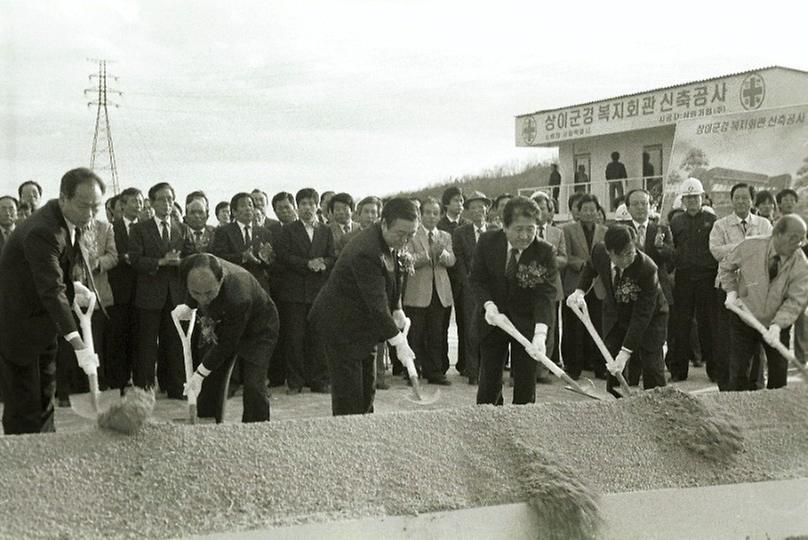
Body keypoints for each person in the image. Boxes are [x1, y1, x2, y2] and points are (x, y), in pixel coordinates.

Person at [0, 168, 104, 434]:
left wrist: (74, 286)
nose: (91, 214)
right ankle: (21, 459)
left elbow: (53, 273)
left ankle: (44, 448)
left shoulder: (67, 220)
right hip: (19, 328)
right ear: (64, 198)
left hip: (42, 323)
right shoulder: (43, 230)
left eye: (96, 207)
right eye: (85, 206)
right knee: (24, 403)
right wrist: (78, 343)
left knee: (44, 393)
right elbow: (50, 289)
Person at [310, 198, 418, 415]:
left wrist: (397, 307)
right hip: (340, 325)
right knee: (349, 394)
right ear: (384, 223)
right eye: (401, 234)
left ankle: (366, 429)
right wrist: (398, 341)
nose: (405, 240)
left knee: (367, 388)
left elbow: (393, 276)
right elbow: (376, 303)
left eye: (411, 234)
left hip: (364, 326)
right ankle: (347, 440)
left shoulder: (389, 240)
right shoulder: (366, 250)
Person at [471, 196, 557, 405]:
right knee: (489, 382)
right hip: (493, 321)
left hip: (527, 324)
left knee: (526, 383)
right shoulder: (487, 242)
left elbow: (545, 294)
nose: (525, 236)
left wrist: (540, 333)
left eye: (531, 229)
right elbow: (477, 280)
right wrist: (489, 306)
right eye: (519, 229)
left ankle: (523, 427)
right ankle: (487, 423)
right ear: (504, 225)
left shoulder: (544, 251)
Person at [568, 225, 668, 397]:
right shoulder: (599, 252)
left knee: (651, 364)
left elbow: (641, 315)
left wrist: (626, 352)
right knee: (612, 360)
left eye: (632, 252)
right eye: (624, 254)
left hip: (650, 317)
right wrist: (580, 291)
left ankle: (660, 403)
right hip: (615, 313)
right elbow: (590, 267)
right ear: (610, 252)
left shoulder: (647, 269)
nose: (629, 258)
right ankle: (619, 402)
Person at [179, 254, 279, 422]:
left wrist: (199, 374)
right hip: (224, 320)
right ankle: (208, 421)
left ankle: (256, 428)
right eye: (196, 293)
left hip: (259, 329)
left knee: (253, 384)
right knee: (210, 377)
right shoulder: (190, 266)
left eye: (209, 293)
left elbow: (227, 343)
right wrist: (189, 307)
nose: (203, 299)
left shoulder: (239, 294)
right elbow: (197, 292)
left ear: (221, 280)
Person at [719, 215, 808, 390]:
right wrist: (731, 291)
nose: (798, 244)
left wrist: (777, 325)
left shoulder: (801, 264)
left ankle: (775, 415)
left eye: (802, 239)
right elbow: (726, 267)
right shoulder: (750, 246)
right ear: (777, 233)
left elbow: (795, 301)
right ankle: (738, 412)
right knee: (739, 373)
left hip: (776, 322)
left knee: (778, 376)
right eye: (793, 238)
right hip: (744, 319)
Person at [128, 182, 194, 398]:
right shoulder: (140, 228)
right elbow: (135, 260)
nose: (167, 204)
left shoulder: (182, 228)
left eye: (170, 199)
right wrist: (161, 262)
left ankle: (175, 386)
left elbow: (192, 258)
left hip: (175, 295)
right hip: (149, 295)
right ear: (152, 203)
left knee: (175, 343)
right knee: (147, 344)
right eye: (162, 199)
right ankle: (145, 388)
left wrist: (180, 262)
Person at [709, 183, 772, 389]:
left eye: (745, 198)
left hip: (755, 290)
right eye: (737, 197)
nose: (741, 201)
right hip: (727, 289)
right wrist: (747, 247)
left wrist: (736, 251)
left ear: (752, 201)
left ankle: (756, 384)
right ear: (731, 199)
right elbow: (716, 251)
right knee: (727, 339)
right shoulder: (721, 225)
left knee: (756, 339)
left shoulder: (764, 224)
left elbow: (769, 251)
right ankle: (729, 386)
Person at [275, 188, 335, 394]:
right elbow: (282, 256)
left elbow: (331, 256)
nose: (307, 208)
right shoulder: (288, 230)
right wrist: (306, 264)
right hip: (294, 293)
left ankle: (318, 379)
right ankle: (295, 381)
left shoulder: (326, 230)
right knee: (295, 338)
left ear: (317, 206)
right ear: (297, 207)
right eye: (303, 204)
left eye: (311, 203)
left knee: (318, 338)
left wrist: (323, 263)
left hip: (319, 291)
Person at [668, 177, 719, 383]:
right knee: (681, 324)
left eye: (695, 197)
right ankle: (678, 371)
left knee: (709, 324)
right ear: (683, 199)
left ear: (702, 197)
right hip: (684, 279)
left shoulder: (712, 220)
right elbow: (672, 250)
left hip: (707, 278)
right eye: (688, 197)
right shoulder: (676, 221)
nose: (691, 201)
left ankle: (715, 370)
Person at [403, 197, 455, 385]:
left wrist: (441, 253)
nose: (432, 216)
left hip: (440, 292)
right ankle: (414, 371)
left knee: (437, 334)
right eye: (427, 212)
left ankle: (435, 371)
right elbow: (408, 261)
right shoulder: (412, 235)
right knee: (416, 333)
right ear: (420, 214)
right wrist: (429, 253)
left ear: (440, 215)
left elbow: (452, 261)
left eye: (435, 213)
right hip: (417, 292)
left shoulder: (445, 236)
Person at [561, 193, 607, 379]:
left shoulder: (605, 231)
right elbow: (566, 255)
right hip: (575, 283)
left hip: (598, 285)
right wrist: (583, 264)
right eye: (584, 209)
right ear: (578, 212)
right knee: (574, 329)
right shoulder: (568, 230)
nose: (589, 213)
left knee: (598, 326)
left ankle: (600, 366)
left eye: (592, 209)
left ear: (597, 212)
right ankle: (573, 368)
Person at [453, 191, 494, 384]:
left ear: (487, 209)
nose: (478, 210)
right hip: (470, 287)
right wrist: (467, 283)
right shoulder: (461, 233)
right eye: (474, 207)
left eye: (482, 206)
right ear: (468, 211)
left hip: (493, 289)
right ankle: (473, 371)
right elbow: (459, 260)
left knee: (492, 328)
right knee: (471, 328)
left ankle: (490, 370)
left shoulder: (495, 230)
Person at [106, 187, 143, 395]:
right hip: (119, 291)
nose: (138, 205)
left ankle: (138, 380)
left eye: (140, 201)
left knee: (139, 338)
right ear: (122, 205)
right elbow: (110, 254)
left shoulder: (147, 228)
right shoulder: (112, 228)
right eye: (133, 202)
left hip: (143, 291)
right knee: (118, 337)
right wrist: (124, 258)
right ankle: (118, 380)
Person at [531, 192, 567, 380]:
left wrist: (549, 259)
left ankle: (543, 369)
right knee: (530, 327)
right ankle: (528, 368)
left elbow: (564, 258)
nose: (539, 212)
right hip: (529, 286)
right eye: (535, 208)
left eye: (543, 208)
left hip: (552, 286)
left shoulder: (557, 233)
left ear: (549, 211)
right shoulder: (526, 230)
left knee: (550, 327)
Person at [437, 186, 468, 376]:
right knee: (442, 325)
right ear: (447, 203)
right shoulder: (439, 225)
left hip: (464, 282)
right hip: (444, 280)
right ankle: (441, 365)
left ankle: (465, 364)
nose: (460, 204)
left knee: (466, 323)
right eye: (456, 200)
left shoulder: (467, 224)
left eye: (462, 201)